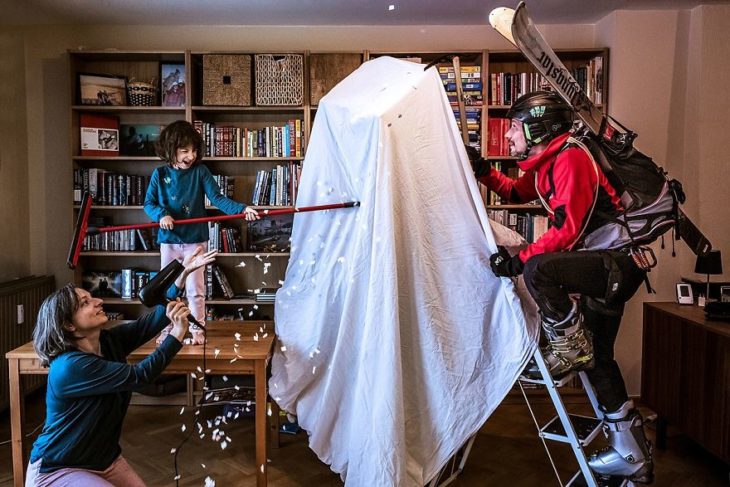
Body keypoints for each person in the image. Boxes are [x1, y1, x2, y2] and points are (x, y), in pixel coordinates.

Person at [469, 91, 653, 483]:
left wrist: (517, 261)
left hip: (616, 263)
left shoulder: (570, 158)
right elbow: (516, 192)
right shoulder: (547, 162)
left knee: (539, 269)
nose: (510, 138)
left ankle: (568, 346)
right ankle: (631, 453)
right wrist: (483, 169)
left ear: (538, 127)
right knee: (599, 359)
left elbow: (566, 231)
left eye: (515, 129)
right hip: (608, 264)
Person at [26, 247, 216, 486]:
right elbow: (140, 375)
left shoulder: (108, 342)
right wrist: (176, 336)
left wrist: (183, 274)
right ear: (68, 325)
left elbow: (154, 320)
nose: (98, 301)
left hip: (104, 461)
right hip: (59, 469)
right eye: (86, 302)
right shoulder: (70, 367)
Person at [144, 120, 260, 345]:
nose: (191, 156)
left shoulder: (200, 171)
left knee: (195, 289)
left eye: (194, 150)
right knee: (167, 290)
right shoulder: (159, 174)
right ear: (170, 150)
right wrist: (161, 215)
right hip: (169, 241)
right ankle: (166, 329)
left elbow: (217, 199)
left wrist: (242, 209)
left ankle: (198, 331)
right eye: (184, 150)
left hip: (195, 240)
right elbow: (148, 203)